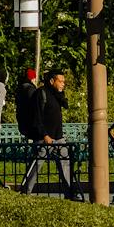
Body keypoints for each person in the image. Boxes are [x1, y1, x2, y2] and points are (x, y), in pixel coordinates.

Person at [41, 71, 81, 201]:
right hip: (46, 138)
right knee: (36, 165)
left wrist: (60, 93)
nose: (63, 84)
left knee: (65, 165)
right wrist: (44, 135)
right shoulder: (42, 93)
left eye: (64, 81)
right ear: (52, 81)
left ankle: (69, 193)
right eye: (61, 81)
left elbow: (66, 105)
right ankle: (25, 191)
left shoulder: (58, 94)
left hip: (59, 137)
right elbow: (37, 116)